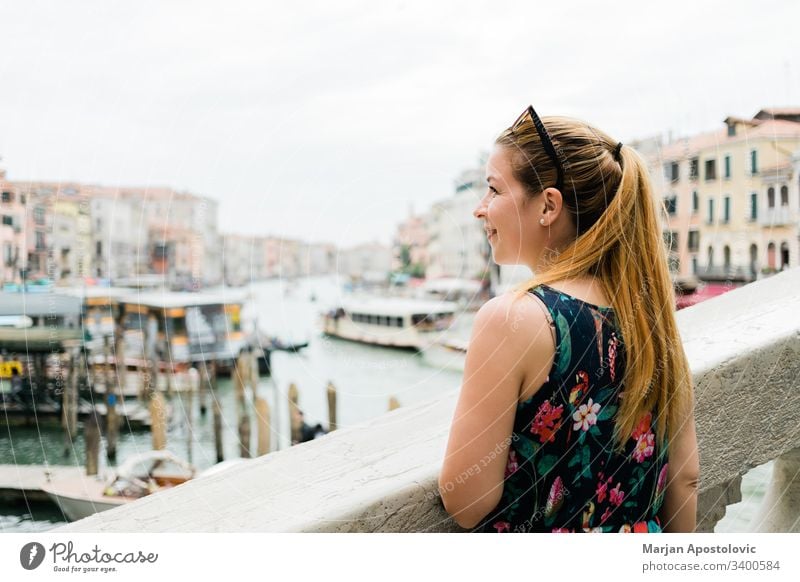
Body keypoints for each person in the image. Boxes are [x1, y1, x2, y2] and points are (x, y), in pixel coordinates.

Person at [438, 105, 699, 533]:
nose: (479, 209)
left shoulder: (513, 319)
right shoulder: (651, 321)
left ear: (548, 205)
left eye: (493, 190)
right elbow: (686, 479)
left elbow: (467, 502)